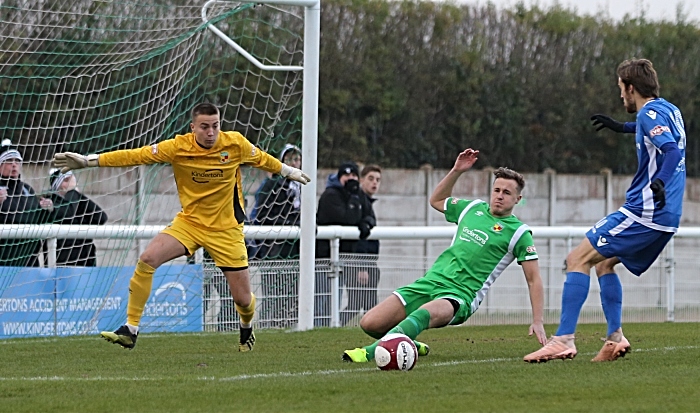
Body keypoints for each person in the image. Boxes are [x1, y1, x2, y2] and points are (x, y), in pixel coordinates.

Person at [53, 102, 311, 350]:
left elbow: (264, 159)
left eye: (215, 126)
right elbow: (135, 155)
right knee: (147, 259)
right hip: (190, 223)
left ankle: (246, 326)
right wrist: (88, 161)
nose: (211, 132)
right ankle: (130, 330)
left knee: (243, 300)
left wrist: (288, 171)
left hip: (226, 230)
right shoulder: (178, 147)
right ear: (193, 128)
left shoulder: (234, 144)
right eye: (204, 127)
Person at [524, 58, 686, 363]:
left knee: (577, 258)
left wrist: (659, 182)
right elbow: (658, 133)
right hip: (666, 216)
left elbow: (672, 150)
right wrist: (621, 127)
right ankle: (614, 338)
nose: (620, 96)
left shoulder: (649, 114)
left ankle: (563, 339)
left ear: (631, 87)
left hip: (644, 211)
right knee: (603, 264)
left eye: (621, 89)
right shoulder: (668, 109)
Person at [343, 148, 547, 363]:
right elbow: (436, 200)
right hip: (431, 281)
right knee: (370, 323)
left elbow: (534, 280)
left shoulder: (519, 233)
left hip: (460, 295)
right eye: (497, 190)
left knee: (422, 314)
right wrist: (457, 170)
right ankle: (408, 342)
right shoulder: (473, 208)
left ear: (518, 198)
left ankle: (369, 352)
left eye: (507, 193)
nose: (499, 196)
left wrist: (538, 320)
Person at [315, 161, 375, 327]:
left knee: (337, 298)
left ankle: (330, 327)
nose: (351, 179)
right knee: (323, 299)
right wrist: (356, 205)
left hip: (344, 257)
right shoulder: (331, 195)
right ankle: (318, 328)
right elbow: (347, 218)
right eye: (347, 175)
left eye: (354, 175)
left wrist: (366, 224)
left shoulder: (358, 195)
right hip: (325, 259)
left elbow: (370, 216)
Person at [249, 143, 303, 327]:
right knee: (274, 294)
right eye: (289, 160)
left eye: (297, 159)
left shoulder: (300, 187)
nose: (295, 163)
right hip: (274, 249)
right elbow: (262, 215)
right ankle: (267, 326)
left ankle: (286, 327)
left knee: (293, 295)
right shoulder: (272, 185)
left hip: (293, 249)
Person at [0, 139, 69, 267]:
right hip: (5, 262)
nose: (14, 165)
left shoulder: (27, 189)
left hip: (30, 261)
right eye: (9, 161)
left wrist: (48, 209)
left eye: (17, 161)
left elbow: (38, 219)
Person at [341, 164, 382, 326]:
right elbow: (360, 236)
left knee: (366, 305)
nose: (375, 183)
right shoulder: (358, 200)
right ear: (362, 180)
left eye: (378, 180)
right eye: (371, 179)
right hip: (360, 263)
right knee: (358, 305)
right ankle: (332, 324)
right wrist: (361, 266)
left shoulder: (366, 202)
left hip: (368, 262)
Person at [48, 169, 108, 266]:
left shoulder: (79, 202)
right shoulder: (51, 204)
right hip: (63, 264)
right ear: (57, 186)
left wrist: (78, 195)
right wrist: (72, 193)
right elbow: (68, 213)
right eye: (66, 180)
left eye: (71, 180)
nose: (71, 184)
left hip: (86, 261)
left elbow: (101, 217)